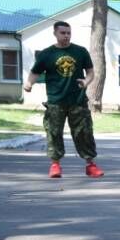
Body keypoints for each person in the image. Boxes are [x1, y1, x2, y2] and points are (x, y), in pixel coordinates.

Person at [23, 20, 103, 178]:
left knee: (84, 133)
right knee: (54, 133)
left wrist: (86, 82)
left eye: (68, 33)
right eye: (63, 33)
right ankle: (55, 165)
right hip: (55, 101)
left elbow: (91, 72)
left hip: (78, 100)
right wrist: (29, 83)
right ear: (55, 33)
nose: (66, 36)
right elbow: (35, 72)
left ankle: (90, 165)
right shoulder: (47, 54)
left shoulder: (80, 52)